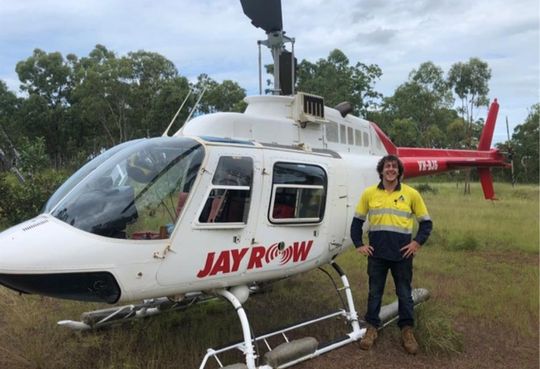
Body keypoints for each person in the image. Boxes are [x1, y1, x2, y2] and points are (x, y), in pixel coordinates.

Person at [350, 155, 432, 354]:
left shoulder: (411, 194)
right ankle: (371, 329)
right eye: (387, 166)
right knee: (374, 293)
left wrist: (416, 243)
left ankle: (407, 330)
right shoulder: (369, 194)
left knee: (404, 293)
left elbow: (426, 223)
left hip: (402, 256)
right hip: (377, 255)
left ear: (399, 171)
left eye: (394, 167)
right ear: (381, 170)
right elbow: (356, 222)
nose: (391, 170)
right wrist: (359, 244)